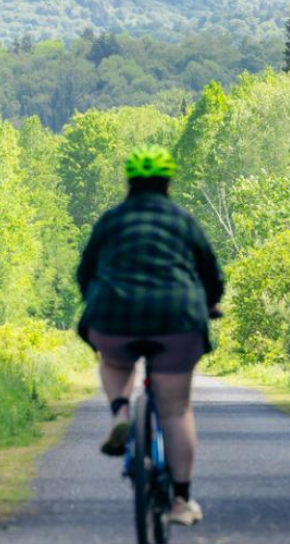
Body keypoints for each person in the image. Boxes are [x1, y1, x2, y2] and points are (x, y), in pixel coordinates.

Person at [75, 145, 224, 527]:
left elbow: (85, 271)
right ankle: (180, 501)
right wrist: (211, 304)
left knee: (113, 359)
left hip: (114, 313)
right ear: (166, 182)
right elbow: (210, 273)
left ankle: (120, 410)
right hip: (177, 319)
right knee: (176, 410)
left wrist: (95, 300)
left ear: (130, 182)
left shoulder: (111, 220)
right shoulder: (182, 220)